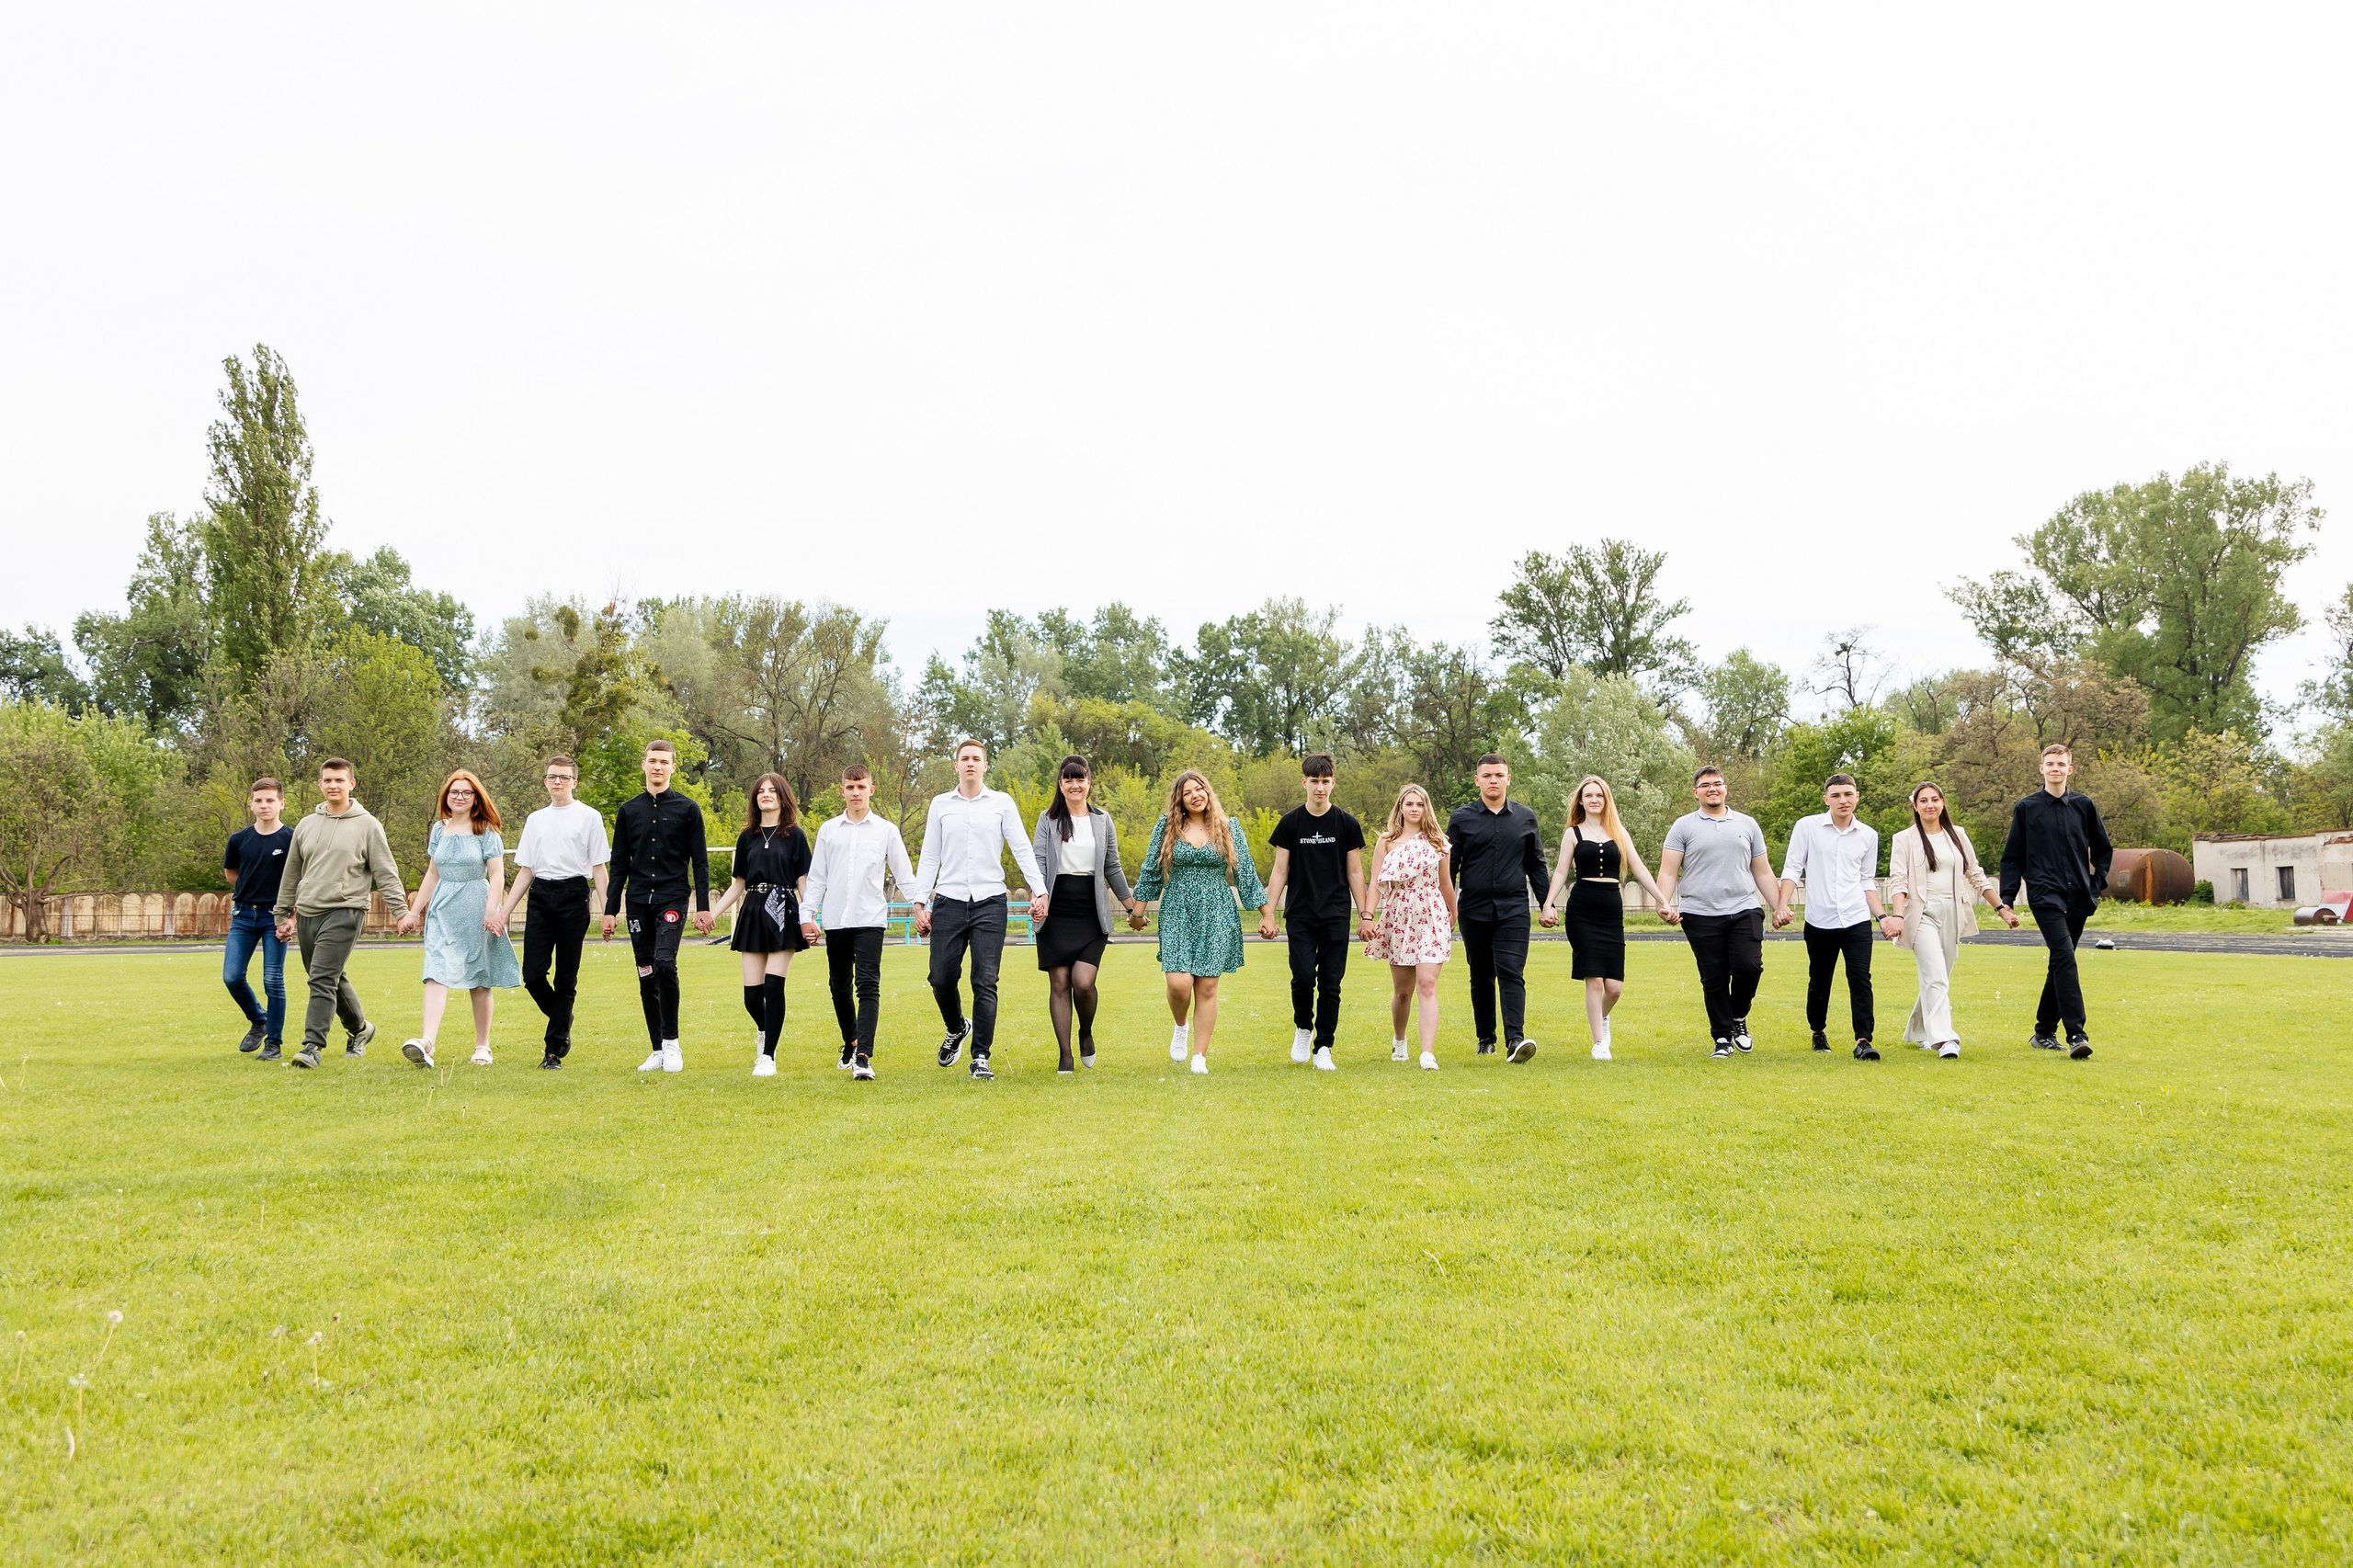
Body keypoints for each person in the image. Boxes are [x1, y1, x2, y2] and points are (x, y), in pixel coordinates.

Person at [910, 740, 1047, 1082]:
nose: (970, 763)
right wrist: (919, 902)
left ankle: (980, 1056)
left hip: (989, 902)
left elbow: (1021, 848)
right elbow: (929, 856)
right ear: (955, 765)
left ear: (986, 766)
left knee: (984, 980)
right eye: (964, 759)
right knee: (940, 977)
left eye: (976, 759)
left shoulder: (1001, 803)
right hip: (949, 902)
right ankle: (956, 1027)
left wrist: (1040, 891)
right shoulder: (941, 805)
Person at [271, 757, 405, 1070]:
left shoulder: (368, 825)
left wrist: (401, 911)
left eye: (339, 780)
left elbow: (386, 872)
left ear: (351, 784)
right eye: (328, 780)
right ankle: (360, 1029)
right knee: (328, 977)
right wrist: (282, 914)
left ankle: (312, 1046)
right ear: (320, 784)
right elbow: (291, 872)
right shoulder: (306, 825)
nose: (333, 785)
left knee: (321, 978)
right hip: (308, 911)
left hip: (346, 910)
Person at [1132, 769, 1268, 1074]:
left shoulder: (1228, 828)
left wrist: (1267, 914)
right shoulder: (1167, 827)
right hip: (1178, 909)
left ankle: (1199, 1056)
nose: (1196, 795)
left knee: (1207, 987)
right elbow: (1151, 873)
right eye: (1188, 792)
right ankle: (1181, 1025)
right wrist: (1138, 913)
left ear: (1208, 792)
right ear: (1179, 800)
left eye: (1200, 789)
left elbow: (1246, 874)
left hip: (1217, 910)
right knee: (1179, 983)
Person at [1537, 775, 1671, 1061]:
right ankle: (1599, 1043)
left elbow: (1640, 869)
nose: (1594, 799)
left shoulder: (1619, 833)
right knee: (1594, 979)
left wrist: (1664, 901)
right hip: (1581, 910)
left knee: (1614, 987)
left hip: (1611, 910)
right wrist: (1548, 905)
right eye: (1589, 795)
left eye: (1599, 795)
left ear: (1606, 799)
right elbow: (1561, 872)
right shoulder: (1572, 834)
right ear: (1581, 801)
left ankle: (1603, 1018)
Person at [601, 740, 714, 1074]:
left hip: (673, 897)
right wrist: (610, 910)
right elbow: (619, 863)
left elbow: (701, 862)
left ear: (673, 767)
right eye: (653, 761)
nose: (658, 767)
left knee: (664, 962)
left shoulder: (688, 809)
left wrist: (704, 907)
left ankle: (672, 1042)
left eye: (664, 762)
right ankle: (656, 1048)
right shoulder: (628, 811)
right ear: (644, 765)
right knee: (646, 971)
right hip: (637, 900)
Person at [395, 770, 522, 1067]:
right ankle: (427, 1043)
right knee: (436, 970)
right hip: (443, 909)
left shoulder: (486, 830)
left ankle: (483, 1046)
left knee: (478, 978)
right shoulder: (439, 830)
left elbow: (497, 873)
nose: (460, 797)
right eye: (455, 792)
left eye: (467, 793)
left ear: (476, 798)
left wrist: (493, 909)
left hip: (476, 907)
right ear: (446, 797)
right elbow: (432, 873)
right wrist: (414, 912)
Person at [1654, 766, 1783, 1058]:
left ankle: (1738, 1016)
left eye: (1717, 784)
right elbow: (1668, 871)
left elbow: (1762, 872)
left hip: (1744, 908)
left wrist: (1779, 907)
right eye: (1705, 785)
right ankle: (1722, 1038)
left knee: (1749, 967)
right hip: (1699, 912)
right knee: (1713, 978)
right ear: (1696, 792)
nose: (1712, 789)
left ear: (1726, 789)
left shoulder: (1747, 824)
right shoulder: (1683, 826)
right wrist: (1664, 903)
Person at [799, 763, 916, 1082]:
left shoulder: (886, 831)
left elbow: (904, 875)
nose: (855, 792)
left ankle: (863, 1055)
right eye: (850, 787)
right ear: (842, 791)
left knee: (867, 985)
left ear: (871, 790)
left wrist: (919, 906)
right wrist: (806, 915)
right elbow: (818, 877)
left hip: (869, 918)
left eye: (861, 787)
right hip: (836, 918)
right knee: (838, 986)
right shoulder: (828, 830)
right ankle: (850, 1042)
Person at [1029, 755, 1146, 1074]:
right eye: (1068, 779)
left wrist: (1132, 907)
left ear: (1089, 783)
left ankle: (1085, 1032)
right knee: (1060, 982)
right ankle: (1065, 1055)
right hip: (1055, 911)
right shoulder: (1047, 819)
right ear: (1060, 784)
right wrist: (1038, 897)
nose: (1074, 785)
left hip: (1091, 912)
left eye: (1079, 778)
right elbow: (1038, 861)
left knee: (1083, 982)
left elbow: (1112, 867)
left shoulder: (1102, 820)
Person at [1997, 743, 2113, 1059]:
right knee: (2064, 955)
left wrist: (2096, 884)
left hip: (2078, 896)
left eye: (2061, 764)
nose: (2055, 769)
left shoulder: (2084, 806)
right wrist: (2006, 899)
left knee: (2060, 961)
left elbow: (2103, 850)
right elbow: (2012, 858)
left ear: (2070, 769)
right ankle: (2077, 1034)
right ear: (2042, 769)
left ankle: (2043, 1031)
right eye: (2050, 764)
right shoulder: (2027, 808)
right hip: (2044, 896)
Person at [1885, 780, 2016, 1058]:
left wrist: (2001, 908)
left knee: (1939, 975)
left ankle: (1918, 1031)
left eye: (1935, 799)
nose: (1930, 805)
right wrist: (1897, 916)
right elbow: (1898, 880)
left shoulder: (1957, 834)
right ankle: (1945, 1039)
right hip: (1920, 915)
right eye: (1923, 801)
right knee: (1935, 975)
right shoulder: (1904, 839)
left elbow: (1976, 874)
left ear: (1942, 803)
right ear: (1915, 806)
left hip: (1953, 912)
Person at [1256, 753, 1369, 1073]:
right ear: (1304, 782)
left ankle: (1324, 1047)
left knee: (1332, 983)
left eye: (1325, 782)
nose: (1320, 788)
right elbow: (1280, 871)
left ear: (1333, 783)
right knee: (1304, 978)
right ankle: (1303, 1028)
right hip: (1301, 915)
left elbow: (1355, 873)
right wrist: (1268, 914)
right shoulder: (1291, 823)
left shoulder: (1347, 824)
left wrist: (1365, 915)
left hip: (1335, 915)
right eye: (1314, 781)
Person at [496, 756, 608, 1070]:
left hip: (574, 894)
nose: (557, 782)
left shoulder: (589, 817)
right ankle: (564, 1015)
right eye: (551, 777)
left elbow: (599, 868)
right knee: (532, 975)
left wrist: (610, 909)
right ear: (545, 782)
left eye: (563, 777)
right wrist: (504, 911)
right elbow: (526, 870)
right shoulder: (536, 820)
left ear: (574, 781)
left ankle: (553, 1051)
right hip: (541, 896)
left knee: (565, 978)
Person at [1776, 773, 1890, 1062]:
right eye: (1836, 795)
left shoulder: (1868, 835)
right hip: (1820, 920)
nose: (1843, 800)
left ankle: (1863, 1041)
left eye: (1848, 794)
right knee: (1820, 980)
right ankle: (1818, 1031)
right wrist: (1781, 905)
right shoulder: (1807, 827)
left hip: (1856, 919)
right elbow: (1792, 869)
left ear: (1857, 797)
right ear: (1826, 799)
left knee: (1861, 978)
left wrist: (1883, 916)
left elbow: (1866, 880)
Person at [1447, 755, 1550, 1062]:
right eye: (1487, 775)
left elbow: (1536, 865)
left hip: (1514, 908)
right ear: (1477, 780)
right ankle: (1485, 1038)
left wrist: (1547, 904)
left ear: (1508, 779)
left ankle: (1515, 1040)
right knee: (1480, 974)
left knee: (1511, 970)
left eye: (1499, 775)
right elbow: (1449, 868)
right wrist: (1446, 908)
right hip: (1473, 909)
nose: (1493, 780)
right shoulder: (1461, 818)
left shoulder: (1525, 818)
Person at [710, 773, 812, 1079]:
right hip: (752, 912)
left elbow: (803, 882)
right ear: (755, 799)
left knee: (773, 986)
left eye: (772, 791)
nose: (766, 795)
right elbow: (738, 884)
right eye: (761, 791)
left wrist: (810, 917)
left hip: (783, 910)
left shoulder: (795, 835)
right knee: (752, 996)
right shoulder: (746, 837)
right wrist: (712, 913)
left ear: (783, 797)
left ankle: (768, 1056)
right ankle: (766, 1032)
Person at [1364, 784, 1458, 1070]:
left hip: (1430, 913)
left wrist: (1453, 911)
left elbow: (1445, 882)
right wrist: (1368, 915)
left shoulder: (1439, 842)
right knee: (1403, 990)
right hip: (1399, 915)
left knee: (1427, 985)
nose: (1414, 809)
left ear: (1426, 808)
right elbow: (1375, 883)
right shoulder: (1387, 841)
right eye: (1409, 804)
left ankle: (1427, 1053)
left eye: (1419, 804)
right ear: (1401, 808)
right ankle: (1400, 1040)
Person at [222, 778, 292, 1060]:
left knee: (273, 980)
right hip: (242, 916)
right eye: (259, 800)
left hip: (275, 917)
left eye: (270, 800)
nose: (264, 805)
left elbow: (299, 881)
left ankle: (273, 1044)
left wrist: (291, 917)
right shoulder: (238, 839)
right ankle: (258, 1019)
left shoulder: (292, 838)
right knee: (232, 976)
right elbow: (232, 875)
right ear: (250, 804)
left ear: (281, 803)